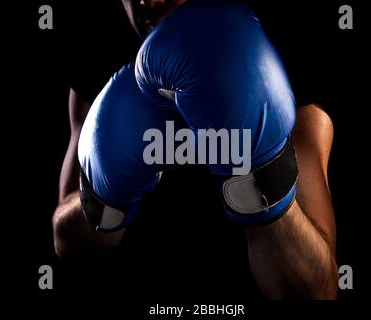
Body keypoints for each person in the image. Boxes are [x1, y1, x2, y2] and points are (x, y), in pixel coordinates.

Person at [53, 0, 338, 299]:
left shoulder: (286, 50)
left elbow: (317, 290)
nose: (145, 1)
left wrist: (259, 171)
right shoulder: (98, 47)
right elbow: (66, 243)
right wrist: (103, 197)